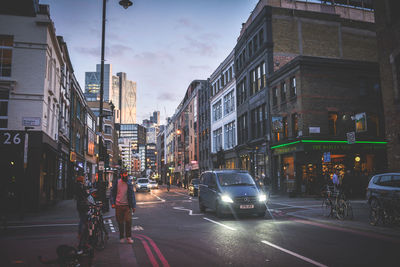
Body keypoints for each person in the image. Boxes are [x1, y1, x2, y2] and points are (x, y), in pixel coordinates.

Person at [111, 169, 136, 244]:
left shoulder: (129, 183)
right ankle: (121, 237)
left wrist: (133, 206)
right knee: (120, 222)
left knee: (128, 221)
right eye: (124, 174)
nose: (126, 175)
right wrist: (112, 202)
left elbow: (132, 195)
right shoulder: (117, 182)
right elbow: (112, 193)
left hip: (127, 205)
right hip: (118, 205)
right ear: (121, 175)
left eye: (126, 174)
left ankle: (128, 237)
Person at [75, 175, 90, 250]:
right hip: (83, 205)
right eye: (83, 179)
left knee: (82, 218)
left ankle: (81, 233)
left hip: (79, 204)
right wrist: (87, 192)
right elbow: (85, 194)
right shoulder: (81, 186)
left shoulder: (77, 186)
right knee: (83, 220)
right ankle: (80, 233)